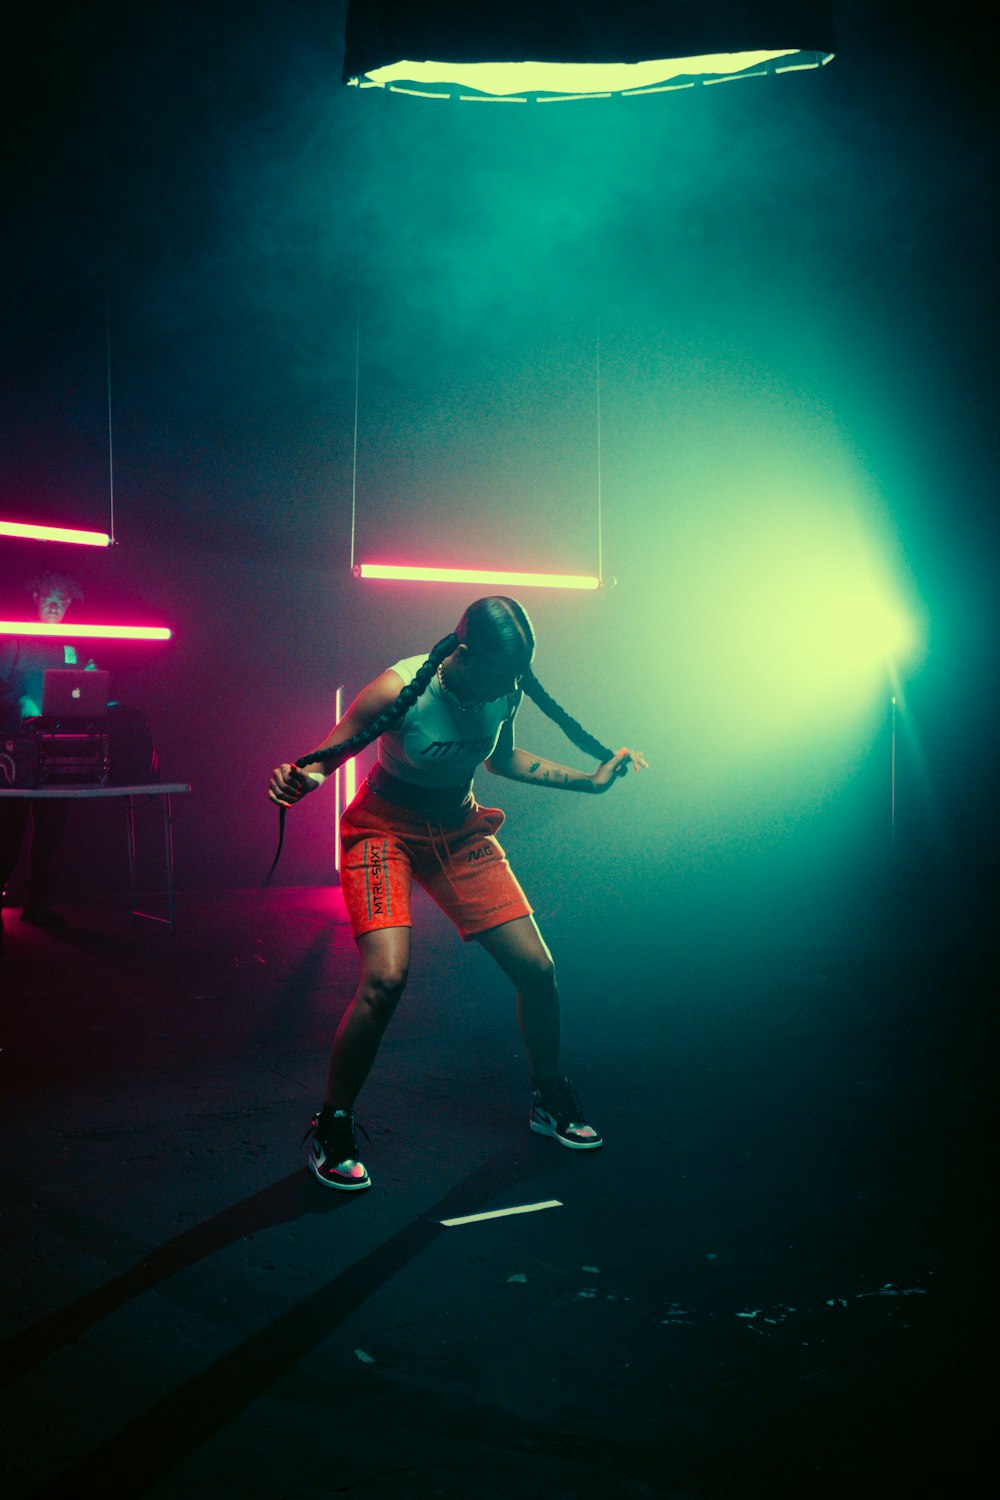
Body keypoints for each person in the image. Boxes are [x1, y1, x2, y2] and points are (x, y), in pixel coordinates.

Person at [268, 595, 647, 1191]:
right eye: (502, 671)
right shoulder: (402, 687)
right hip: (382, 828)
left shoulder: (507, 686)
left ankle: (550, 1100)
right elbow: (329, 754)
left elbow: (502, 760)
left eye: (517, 673)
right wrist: (298, 779)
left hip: (458, 827)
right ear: (464, 651)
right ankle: (332, 1125)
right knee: (385, 980)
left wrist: (590, 783)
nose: (510, 682)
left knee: (538, 969)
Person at [0, 572, 88, 943]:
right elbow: (3, 684)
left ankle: (37, 904)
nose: (54, 604)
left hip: (59, 745)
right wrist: (21, 703)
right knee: (8, 828)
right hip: (16, 746)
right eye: (48, 596)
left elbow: (86, 681)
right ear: (35, 597)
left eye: (62, 599)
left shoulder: (75, 642)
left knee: (52, 827)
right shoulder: (15, 635)